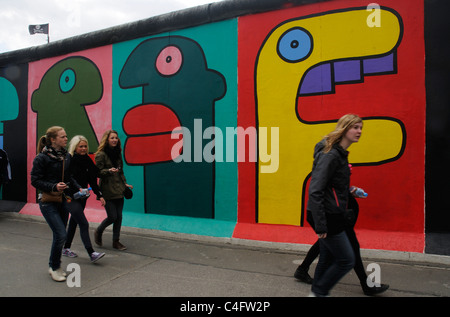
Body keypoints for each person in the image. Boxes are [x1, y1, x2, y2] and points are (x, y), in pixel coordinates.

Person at [306, 114, 362, 297]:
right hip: (328, 215)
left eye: (361, 128)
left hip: (332, 212)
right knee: (346, 259)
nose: (359, 132)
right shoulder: (331, 155)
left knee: (329, 255)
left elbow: (331, 185)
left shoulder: (339, 154)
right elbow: (316, 190)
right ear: (344, 129)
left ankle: (317, 292)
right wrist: (321, 224)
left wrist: (348, 190)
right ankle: (318, 293)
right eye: (355, 127)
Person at [295, 193, 389, 295]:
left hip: (336, 210)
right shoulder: (325, 178)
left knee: (327, 243)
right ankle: (366, 285)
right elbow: (320, 188)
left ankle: (304, 271)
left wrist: (348, 191)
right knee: (349, 247)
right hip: (334, 212)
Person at [30, 126, 81, 282]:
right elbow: (35, 180)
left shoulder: (66, 156)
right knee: (61, 234)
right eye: (63, 136)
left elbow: (69, 177)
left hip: (63, 199)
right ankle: (54, 267)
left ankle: (56, 266)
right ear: (53, 139)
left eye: (66, 136)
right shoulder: (42, 158)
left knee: (59, 236)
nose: (66, 139)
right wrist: (53, 186)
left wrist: (79, 188)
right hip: (48, 201)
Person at [63, 135, 106, 263]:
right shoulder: (69, 159)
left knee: (74, 222)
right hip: (70, 197)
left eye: (85, 146)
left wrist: (100, 195)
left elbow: (92, 179)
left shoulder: (87, 160)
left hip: (82, 197)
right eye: (80, 146)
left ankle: (66, 248)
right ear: (75, 147)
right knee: (83, 223)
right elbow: (68, 177)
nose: (83, 148)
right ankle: (91, 253)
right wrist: (78, 188)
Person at [94, 130, 133, 250]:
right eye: (112, 138)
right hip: (107, 190)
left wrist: (124, 183)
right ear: (107, 140)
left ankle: (116, 241)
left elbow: (120, 171)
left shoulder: (117, 153)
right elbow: (98, 172)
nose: (115, 140)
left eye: (116, 138)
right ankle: (99, 231)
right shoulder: (101, 155)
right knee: (112, 217)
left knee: (119, 216)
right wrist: (108, 171)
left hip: (119, 189)